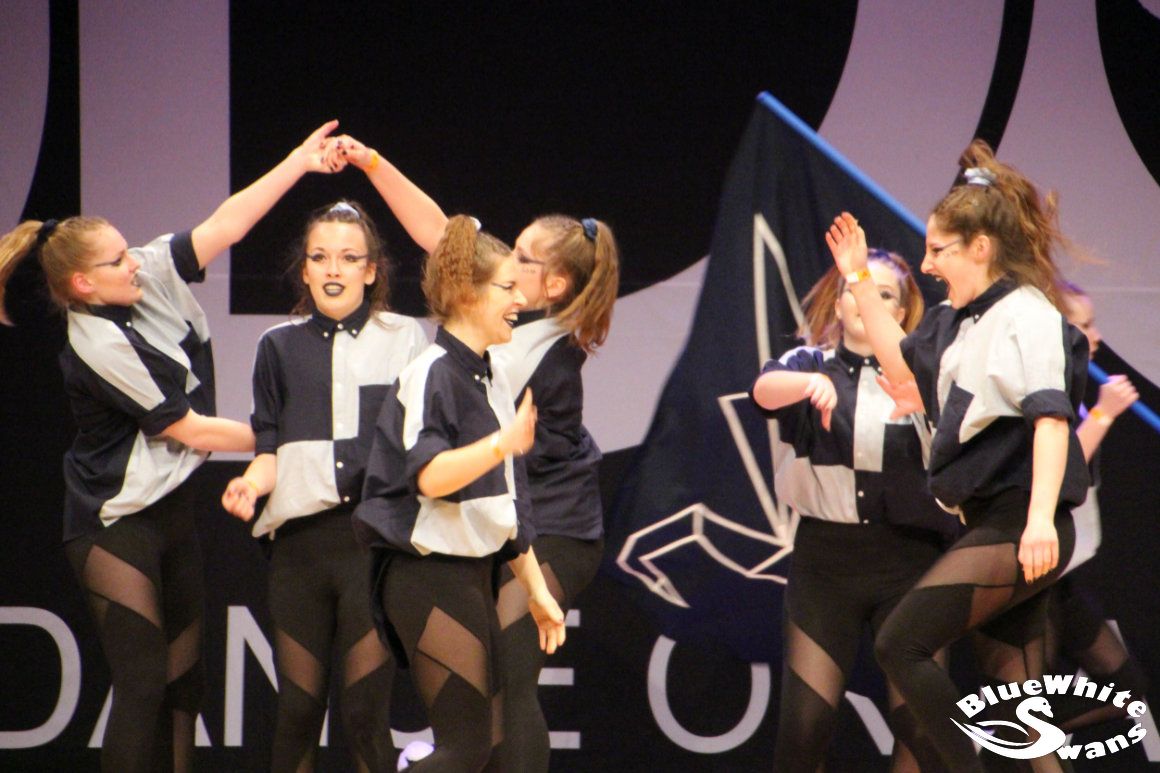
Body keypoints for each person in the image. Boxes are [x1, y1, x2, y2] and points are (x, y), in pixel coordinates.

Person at [0, 121, 341, 772]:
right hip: (112, 524)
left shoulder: (145, 270)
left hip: (170, 509)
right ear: (83, 285)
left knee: (187, 685)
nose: (133, 261)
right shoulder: (94, 345)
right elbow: (191, 430)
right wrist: (292, 432)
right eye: (116, 260)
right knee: (142, 681)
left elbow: (227, 223)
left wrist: (298, 162)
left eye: (126, 250)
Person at [330, 135, 619, 772]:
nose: (512, 282)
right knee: (473, 734)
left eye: (522, 266)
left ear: (554, 283)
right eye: (505, 274)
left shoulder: (529, 345)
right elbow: (447, 240)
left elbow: (507, 498)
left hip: (547, 525)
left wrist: (535, 584)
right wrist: (374, 164)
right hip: (454, 545)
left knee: (499, 706)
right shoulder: (459, 360)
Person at [827, 140, 1090, 772]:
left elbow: (1051, 419)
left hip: (1022, 521)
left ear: (981, 248)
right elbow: (899, 363)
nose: (926, 264)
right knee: (1024, 708)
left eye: (938, 249)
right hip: (989, 520)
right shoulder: (956, 321)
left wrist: (1037, 521)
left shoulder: (1028, 314)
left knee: (901, 644)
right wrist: (858, 277)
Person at [353, 215, 567, 772]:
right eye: (507, 287)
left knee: (489, 750)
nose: (521, 299)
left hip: (470, 576)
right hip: (425, 575)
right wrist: (500, 444)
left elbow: (507, 513)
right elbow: (429, 477)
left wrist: (537, 591)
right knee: (466, 748)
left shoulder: (491, 375)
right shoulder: (432, 373)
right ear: (468, 295)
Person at [220, 200, 428, 771]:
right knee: (297, 712)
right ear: (305, 270)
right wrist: (249, 484)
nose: (333, 269)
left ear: (371, 270)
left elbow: (419, 440)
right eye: (320, 257)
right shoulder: (277, 346)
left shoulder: (405, 337)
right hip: (300, 552)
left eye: (349, 258)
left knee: (365, 715)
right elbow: (270, 450)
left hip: (372, 549)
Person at [750, 250, 956, 772]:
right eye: (855, 290)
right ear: (838, 302)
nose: (867, 302)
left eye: (884, 294)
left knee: (921, 730)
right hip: (825, 565)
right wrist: (807, 385)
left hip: (911, 563)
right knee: (805, 727)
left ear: (902, 311)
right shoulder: (809, 362)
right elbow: (763, 392)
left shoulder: (927, 375)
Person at [1042, 281, 1145, 732]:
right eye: (1083, 325)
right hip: (1030, 574)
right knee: (1026, 702)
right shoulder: (1039, 391)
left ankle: (1003, 745)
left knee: (1126, 690)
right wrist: (1103, 414)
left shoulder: (1070, 386)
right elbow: (1055, 473)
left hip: (1061, 574)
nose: (1096, 336)